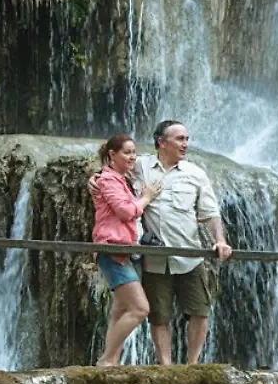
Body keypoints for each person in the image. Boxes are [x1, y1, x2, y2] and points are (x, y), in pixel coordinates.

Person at [132, 120, 232, 365]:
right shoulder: (140, 167)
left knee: (199, 311)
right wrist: (97, 178)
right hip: (155, 259)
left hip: (189, 256)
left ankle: (193, 364)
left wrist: (220, 241)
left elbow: (210, 213)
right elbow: (111, 165)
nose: (185, 144)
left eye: (187, 139)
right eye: (180, 139)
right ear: (161, 142)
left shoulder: (195, 174)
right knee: (159, 316)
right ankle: (166, 366)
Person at [92, 133, 162, 367]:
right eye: (127, 152)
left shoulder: (120, 179)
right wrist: (146, 198)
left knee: (120, 310)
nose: (132, 157)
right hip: (113, 250)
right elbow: (125, 211)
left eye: (134, 152)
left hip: (123, 249)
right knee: (140, 308)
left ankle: (111, 360)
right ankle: (105, 359)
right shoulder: (108, 180)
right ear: (112, 154)